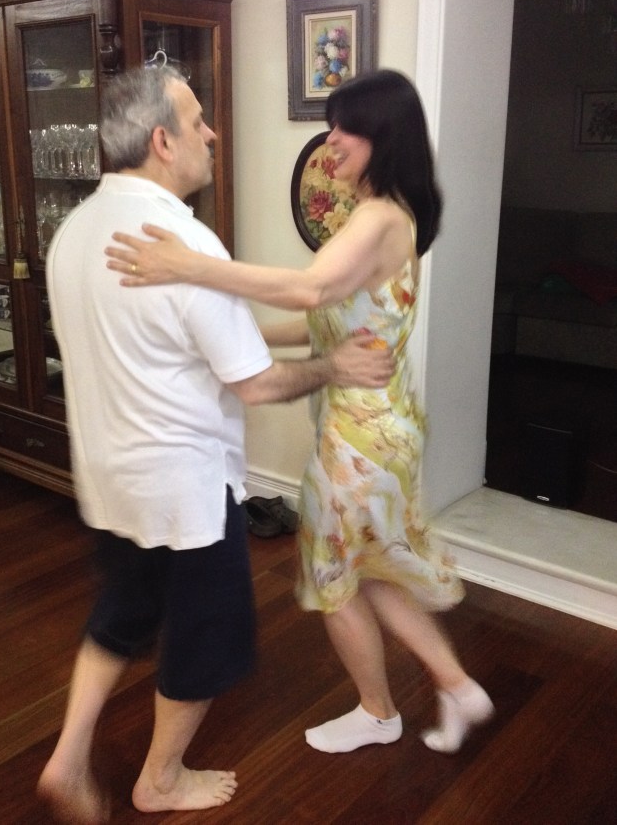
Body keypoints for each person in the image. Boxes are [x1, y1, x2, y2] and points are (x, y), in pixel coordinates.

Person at [38, 66, 394, 824]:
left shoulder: (72, 231)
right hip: (185, 491)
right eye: (197, 121)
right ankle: (159, 780)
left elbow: (172, 346)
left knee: (121, 613)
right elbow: (257, 385)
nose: (212, 133)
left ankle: (68, 758)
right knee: (206, 639)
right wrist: (335, 366)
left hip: (108, 478)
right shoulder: (183, 241)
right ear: (162, 141)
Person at [104, 69, 495, 759]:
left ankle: (378, 713)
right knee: (365, 570)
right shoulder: (389, 214)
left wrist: (186, 266)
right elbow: (326, 321)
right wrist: (231, 338)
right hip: (379, 423)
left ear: (383, 137)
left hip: (361, 435)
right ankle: (456, 687)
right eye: (331, 125)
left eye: (346, 129)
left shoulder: (378, 218)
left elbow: (308, 289)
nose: (331, 141)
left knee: (333, 578)